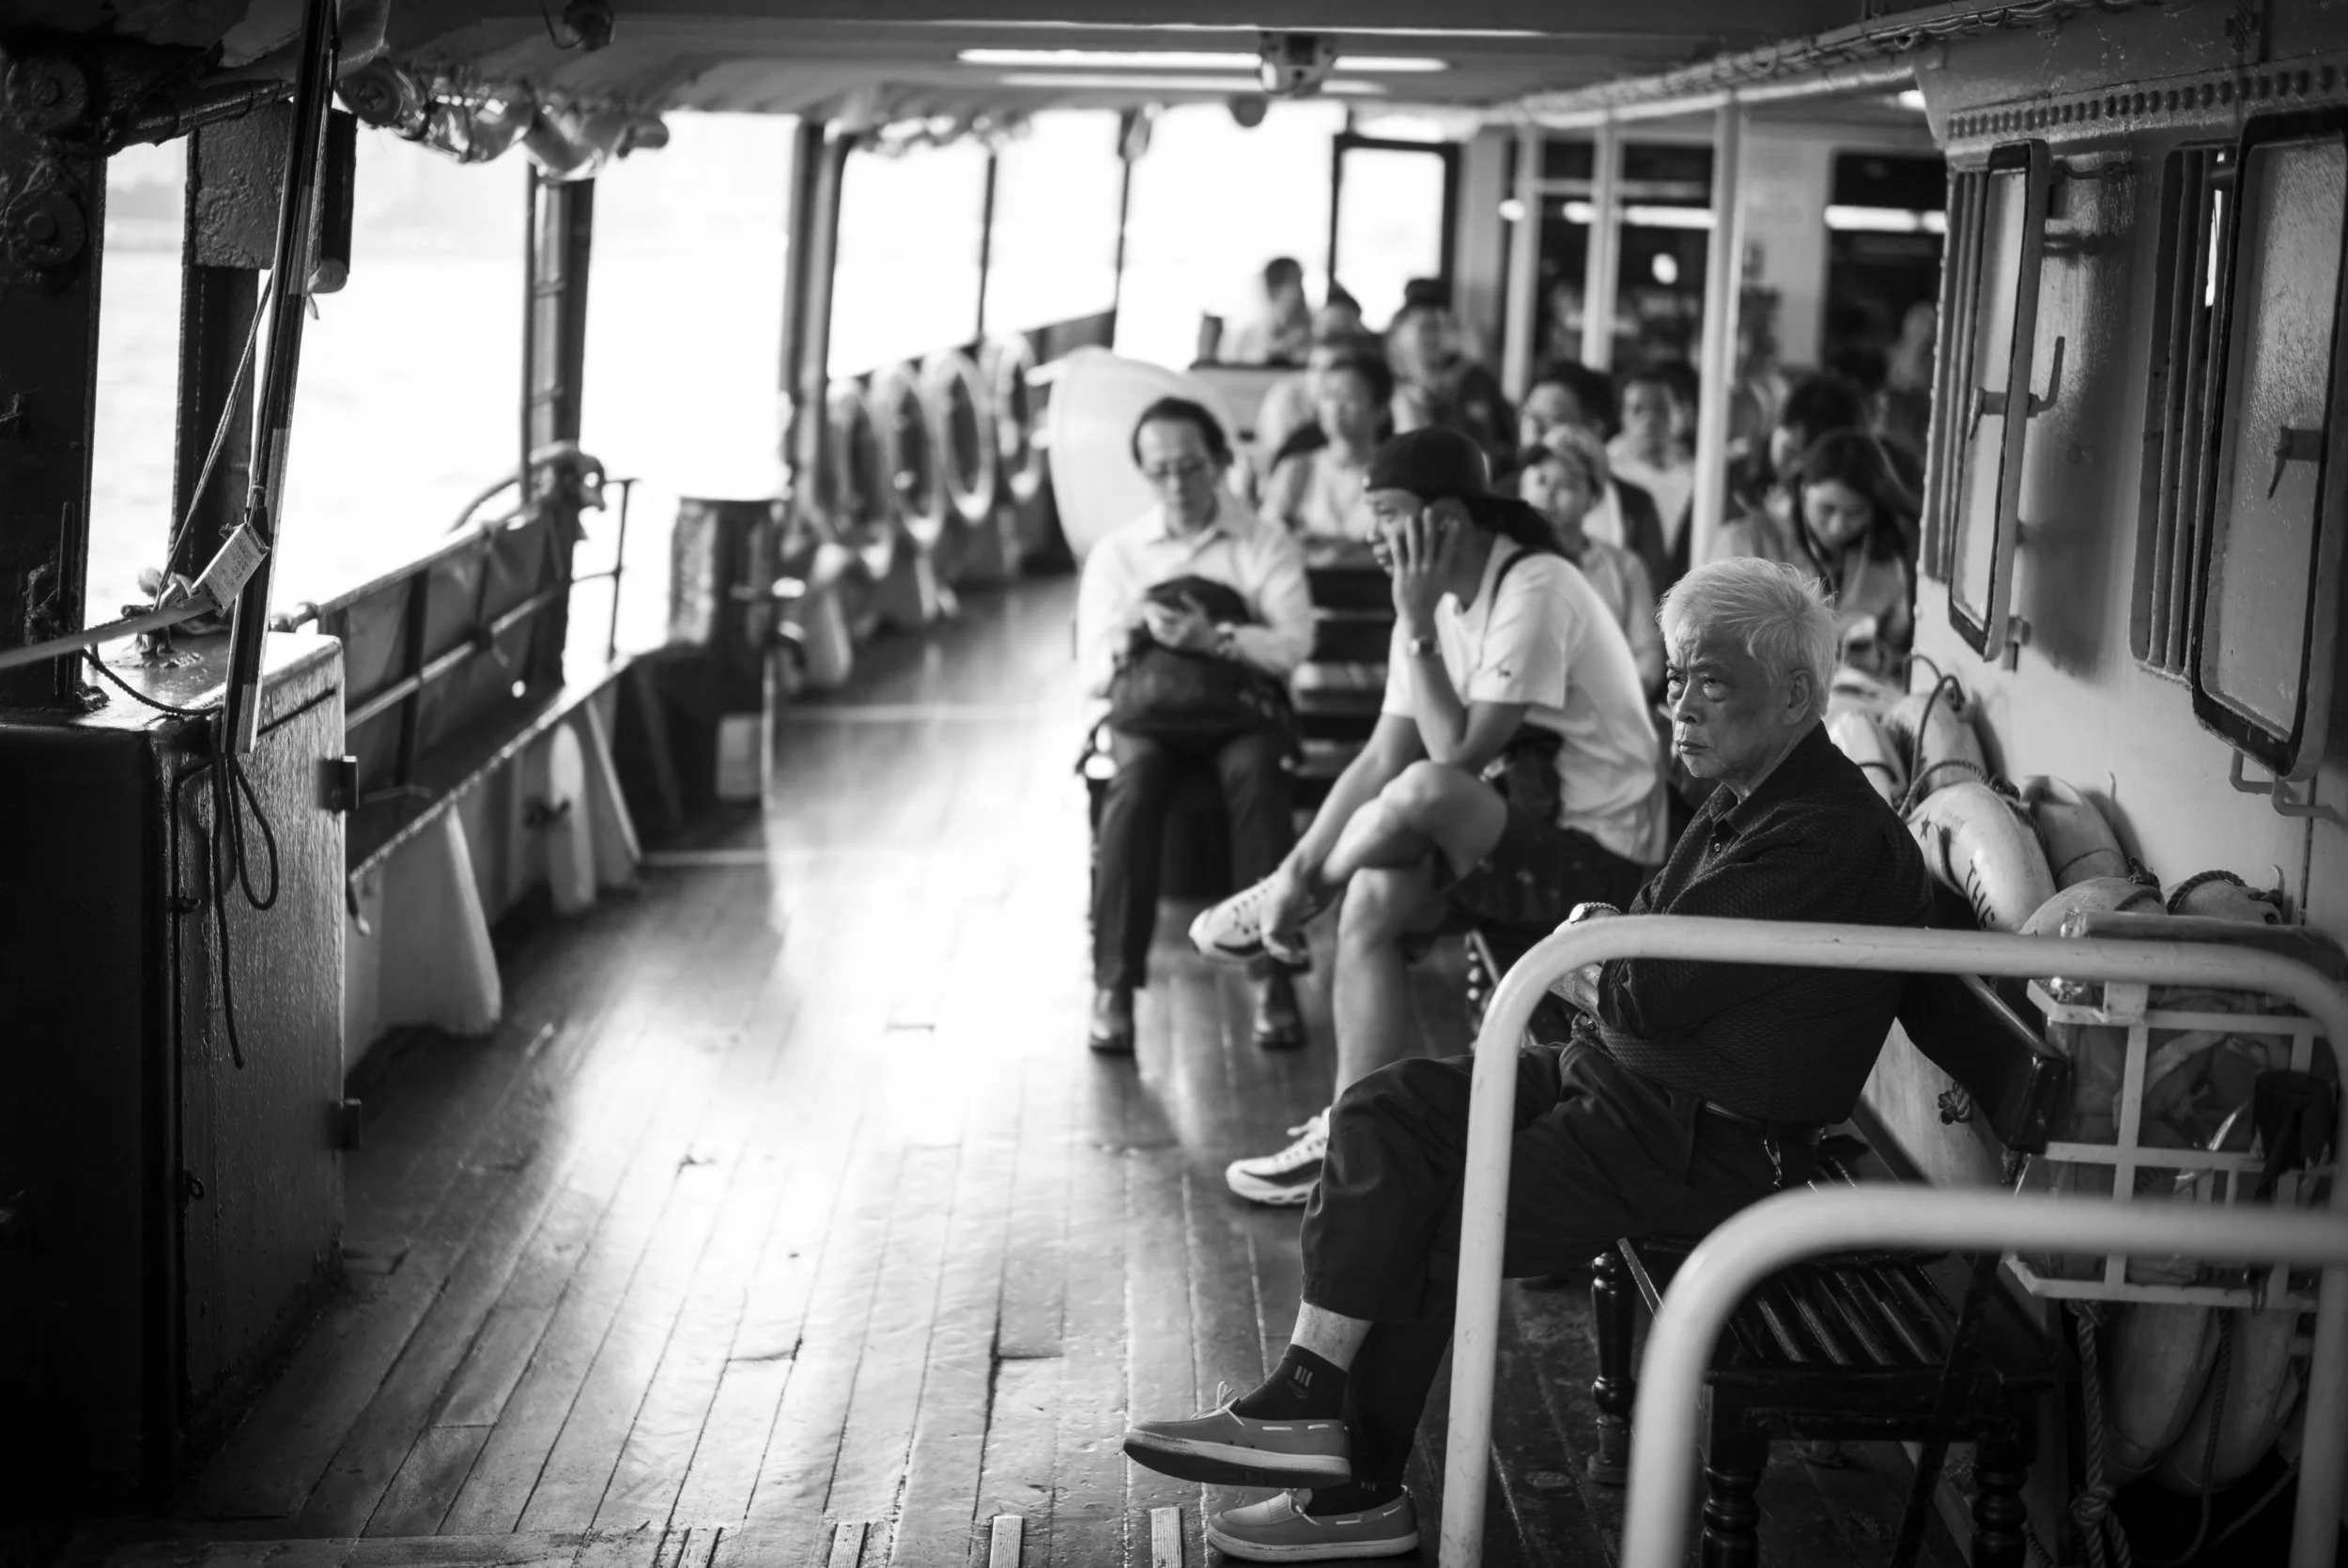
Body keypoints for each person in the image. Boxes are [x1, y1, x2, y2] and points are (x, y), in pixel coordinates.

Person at [1121, 558, 1935, 1562]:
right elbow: (1634, 951)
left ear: (1797, 695)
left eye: (1708, 681)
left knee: (1440, 1218)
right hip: (1624, 1080)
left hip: (1702, 1141)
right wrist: (1607, 949)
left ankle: (1363, 1495)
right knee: (1382, 1109)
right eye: (1673, 677)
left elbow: (1634, 974)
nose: (1676, 703)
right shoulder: (1748, 795)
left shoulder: (1819, 834)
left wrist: (1598, 948)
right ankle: (1303, 1394)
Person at [1189, 428, 1665, 1207]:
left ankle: (1291, 902)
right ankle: (1351, 1140)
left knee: (1424, 792)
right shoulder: (1438, 603)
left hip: (1608, 864)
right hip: (1516, 832)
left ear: (1444, 518)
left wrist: (1413, 623)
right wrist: (1304, 862)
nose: (1368, 531)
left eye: (1385, 513)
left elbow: (1455, 760)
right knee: (1376, 899)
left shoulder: (1533, 586)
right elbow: (1379, 757)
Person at [1074, 397, 1316, 1054]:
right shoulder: (1119, 554)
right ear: (1145, 475)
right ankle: (1114, 985)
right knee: (1134, 783)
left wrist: (1218, 639)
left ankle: (1272, 977)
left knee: (1256, 774)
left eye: (1190, 467)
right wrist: (1127, 636)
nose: (1177, 485)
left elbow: (1294, 645)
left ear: (1219, 463)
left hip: (1240, 712)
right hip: (1150, 719)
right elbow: (1091, 675)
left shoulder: (1263, 541)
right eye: (1161, 472)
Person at [1712, 428, 1917, 678]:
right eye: (1826, 509)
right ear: (1802, 490)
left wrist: (1879, 659)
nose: (1838, 526)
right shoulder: (1744, 542)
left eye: (1856, 512)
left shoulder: (1886, 562)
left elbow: (1899, 650)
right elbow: (1713, 636)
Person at [1520, 425, 1663, 697]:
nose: (1548, 494)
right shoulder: (1508, 558)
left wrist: (1619, 701)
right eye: (1541, 480)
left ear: (1594, 498)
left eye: (1567, 485)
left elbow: (1646, 656)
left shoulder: (1624, 567)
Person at [1516, 361, 1673, 593]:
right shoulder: (1500, 498)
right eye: (1530, 415)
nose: (1534, 430)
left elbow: (1656, 597)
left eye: (1554, 418)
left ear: (1593, 428)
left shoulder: (1634, 509)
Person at [1259, 351, 1392, 545]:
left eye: (1349, 397)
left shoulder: (1395, 473)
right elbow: (1267, 536)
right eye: (1328, 396)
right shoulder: (1297, 469)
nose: (1335, 408)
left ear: (1380, 410)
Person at [1386, 292, 1513, 469]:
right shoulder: (1389, 387)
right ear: (1399, 336)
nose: (1432, 337)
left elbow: (1507, 439)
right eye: (1424, 328)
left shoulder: (1475, 379)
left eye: (1439, 327)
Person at [1256, 319, 1387, 473]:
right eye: (1314, 368)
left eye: (1334, 368)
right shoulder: (1297, 451)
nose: (1320, 380)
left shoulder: (1388, 451)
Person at [1607, 363, 1698, 587]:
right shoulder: (1606, 475)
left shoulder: (1701, 476)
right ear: (1622, 417)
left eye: (1660, 409)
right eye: (1637, 410)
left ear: (1684, 413)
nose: (1649, 419)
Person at [1220, 256, 1314, 366]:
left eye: (1301, 282)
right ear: (1273, 290)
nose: (1301, 292)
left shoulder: (1313, 334)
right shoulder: (1246, 336)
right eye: (1294, 283)